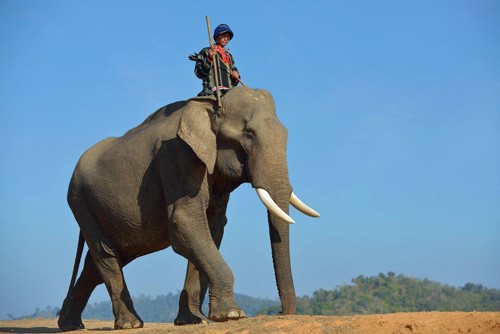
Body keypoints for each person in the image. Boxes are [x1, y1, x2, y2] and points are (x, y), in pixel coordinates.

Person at [189, 24, 241, 96]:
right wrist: (209, 58)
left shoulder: (229, 56)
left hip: (228, 93)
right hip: (211, 91)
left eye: (228, 37)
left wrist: (236, 76)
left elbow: (235, 80)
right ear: (217, 36)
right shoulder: (206, 51)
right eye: (224, 36)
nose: (226, 39)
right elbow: (198, 73)